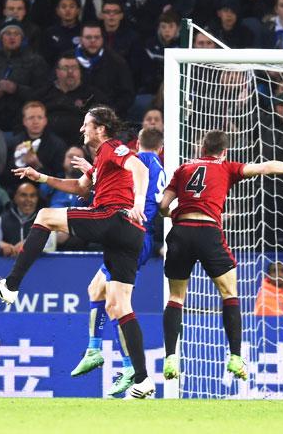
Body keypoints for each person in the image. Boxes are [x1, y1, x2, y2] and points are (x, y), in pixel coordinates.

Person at [0, 106, 155, 399]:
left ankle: (11, 285)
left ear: (101, 129)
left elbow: (140, 168)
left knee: (44, 215)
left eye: (87, 125)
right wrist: (40, 177)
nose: (82, 130)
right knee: (120, 307)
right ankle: (144, 379)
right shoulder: (101, 162)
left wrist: (138, 202)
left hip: (115, 219)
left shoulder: (112, 147)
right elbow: (80, 187)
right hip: (130, 236)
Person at [158, 129, 283, 381]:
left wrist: (171, 214)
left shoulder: (183, 169)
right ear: (224, 151)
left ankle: (171, 355)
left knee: (175, 296)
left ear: (202, 148)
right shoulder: (227, 167)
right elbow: (266, 167)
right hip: (207, 230)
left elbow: (163, 205)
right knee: (229, 293)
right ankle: (236, 357)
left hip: (181, 231)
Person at [69, 127, 164, 396]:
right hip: (141, 233)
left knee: (116, 304)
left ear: (135, 143)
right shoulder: (160, 167)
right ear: (160, 147)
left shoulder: (139, 162)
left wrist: (95, 174)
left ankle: (130, 367)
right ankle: (95, 349)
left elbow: (125, 182)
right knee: (95, 290)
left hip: (132, 231)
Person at [0, 181, 55, 256]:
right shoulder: (2, 220)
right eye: (23, 195)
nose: (28, 199)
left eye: (32, 196)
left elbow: (51, 246)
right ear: (15, 198)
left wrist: (29, 245)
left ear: (37, 199)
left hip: (40, 266)